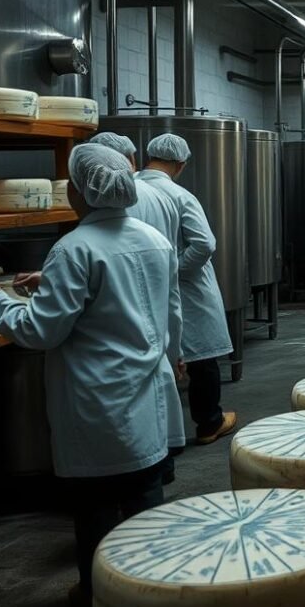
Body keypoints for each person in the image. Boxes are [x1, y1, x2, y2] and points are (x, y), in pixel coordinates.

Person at [0, 143, 181, 607]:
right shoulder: (154, 239)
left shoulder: (72, 249)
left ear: (79, 191)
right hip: (147, 389)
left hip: (98, 397)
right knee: (145, 494)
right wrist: (50, 283)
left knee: (96, 506)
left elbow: (42, 331)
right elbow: (159, 307)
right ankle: (157, 588)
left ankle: (97, 595)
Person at [96, 132, 187, 479]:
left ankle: (144, 476)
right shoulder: (163, 198)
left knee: (129, 417)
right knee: (157, 399)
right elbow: (172, 287)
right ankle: (160, 468)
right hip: (158, 318)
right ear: (132, 159)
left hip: (119, 330)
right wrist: (176, 348)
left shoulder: (83, 242)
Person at [138, 133, 237, 446]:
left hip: (141, 284)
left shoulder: (130, 189)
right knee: (202, 357)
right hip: (186, 287)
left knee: (153, 355)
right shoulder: (179, 195)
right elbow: (204, 243)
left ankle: (157, 432)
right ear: (180, 164)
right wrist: (175, 268)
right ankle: (209, 422)